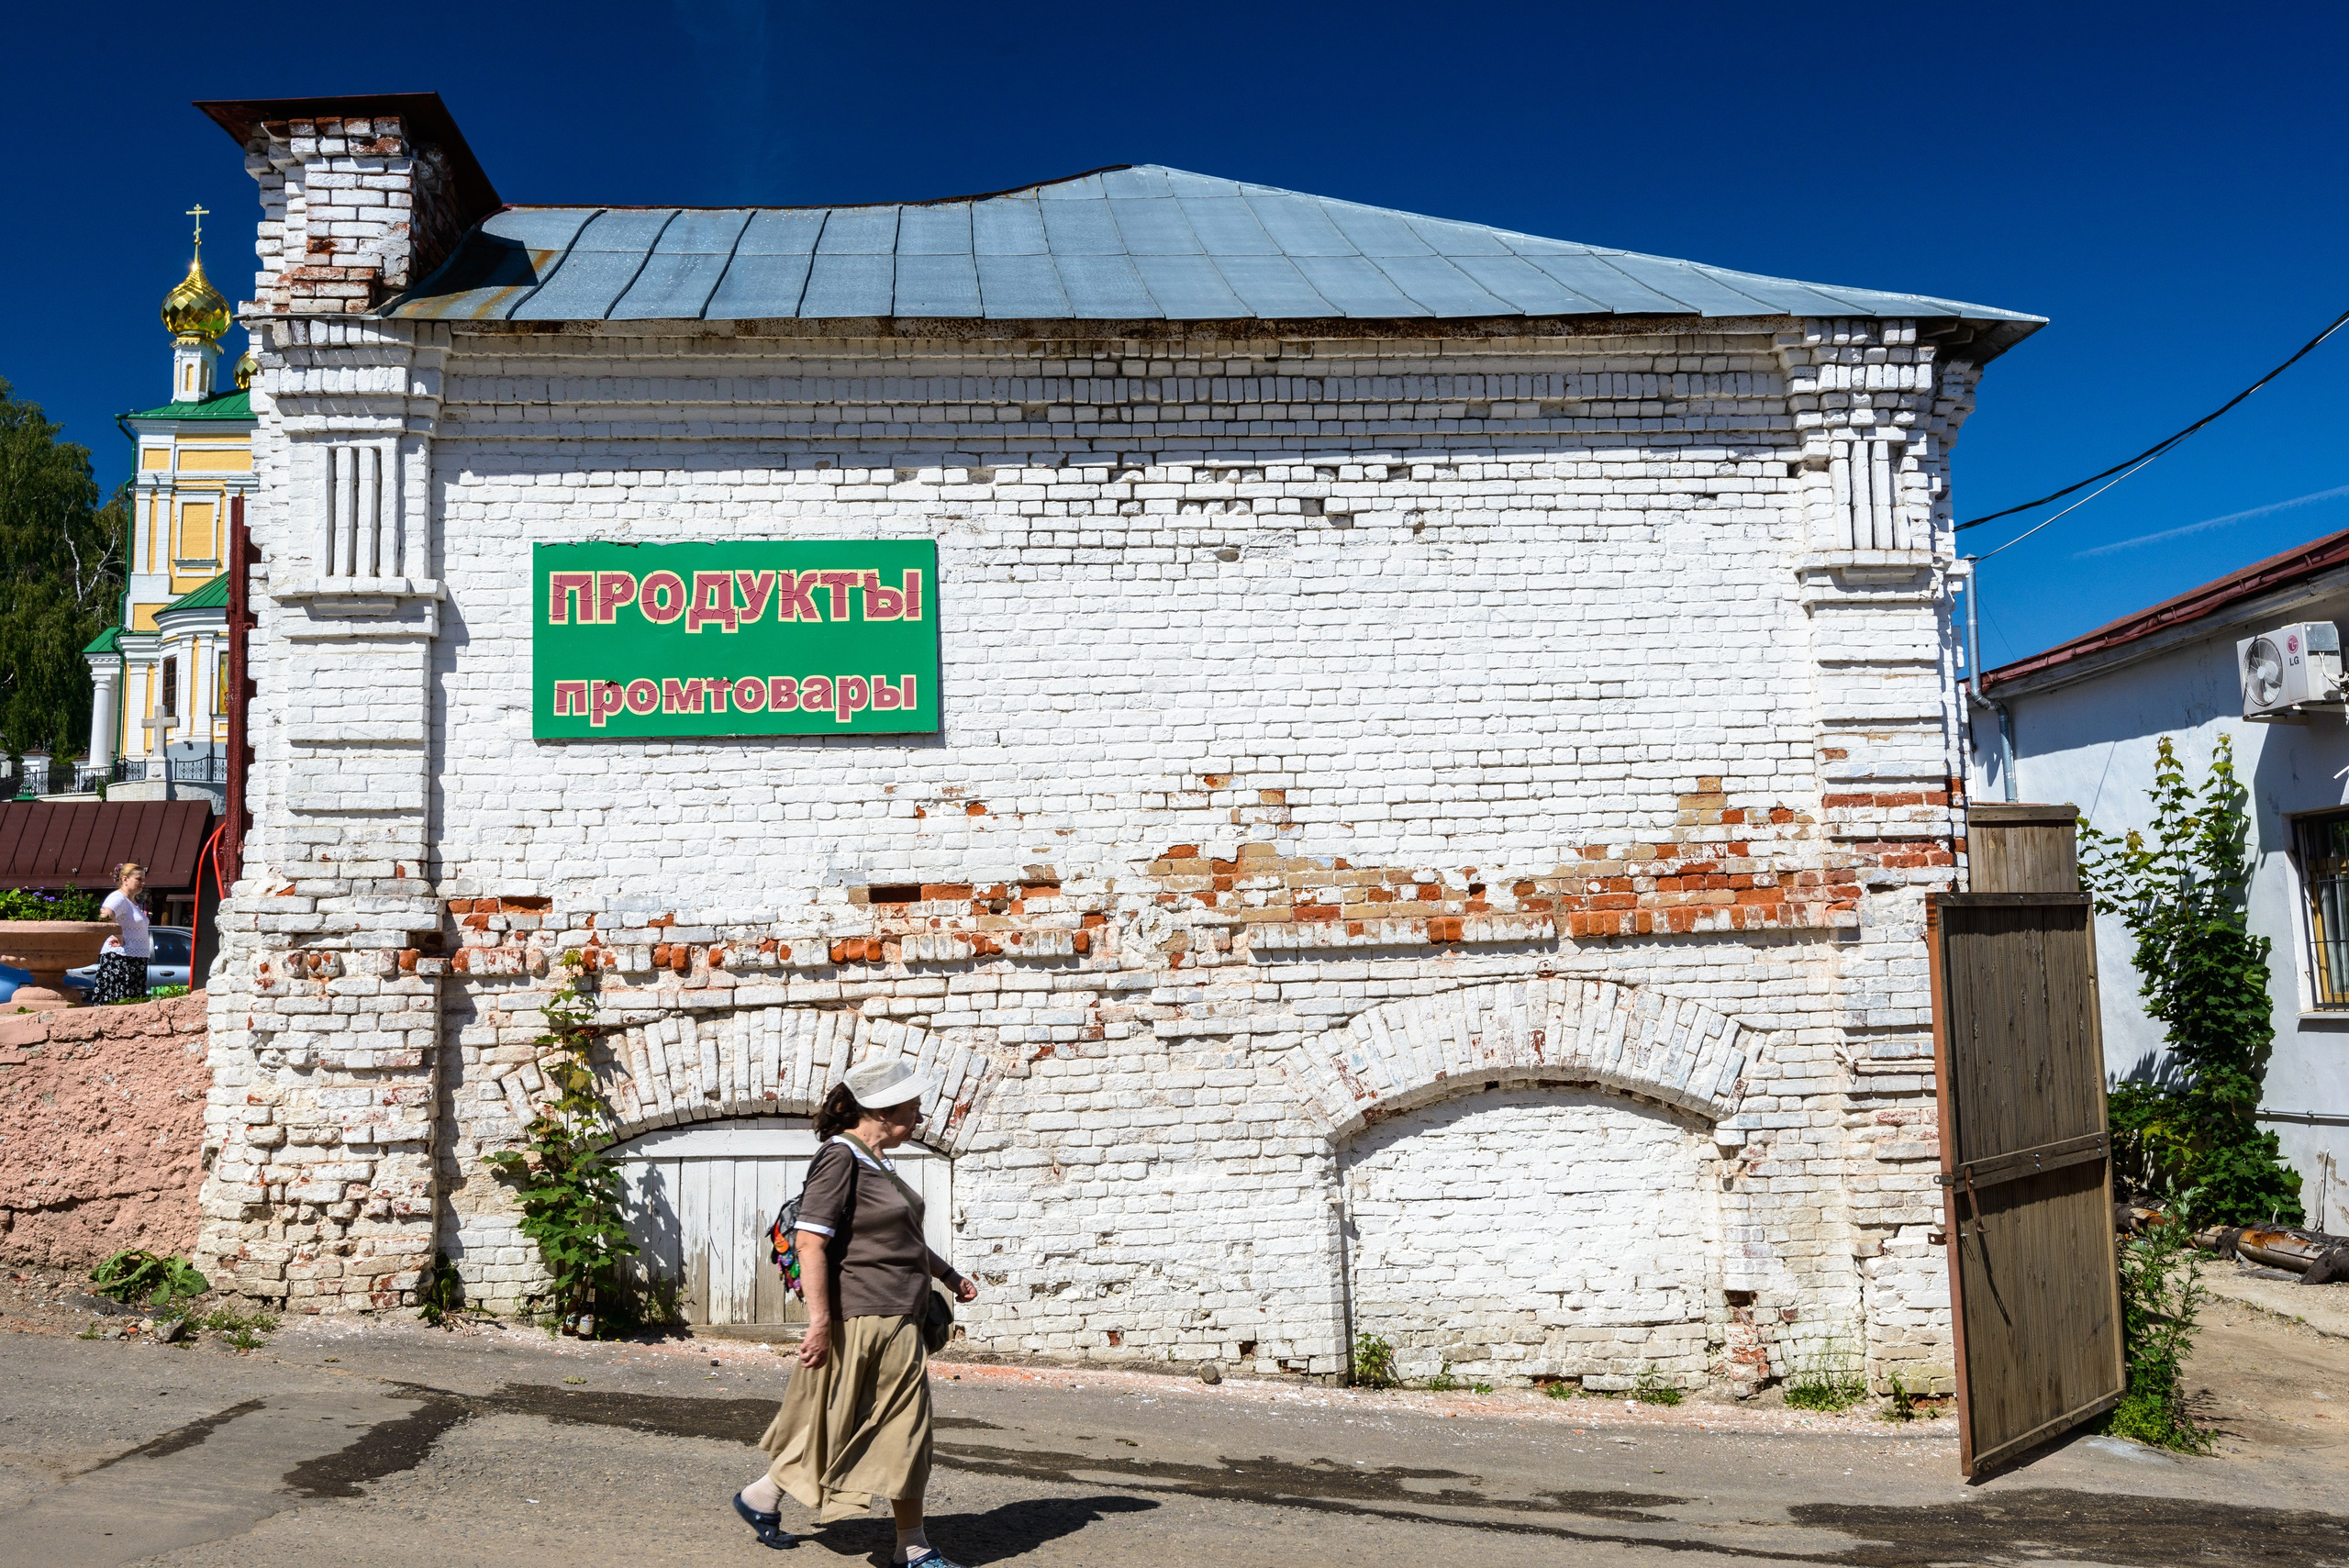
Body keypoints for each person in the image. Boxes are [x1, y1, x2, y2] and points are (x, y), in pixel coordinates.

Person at [731, 1058, 979, 1562]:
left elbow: (902, 1238)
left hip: (898, 1315)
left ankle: (765, 1497)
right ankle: (912, 1550)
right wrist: (820, 1324)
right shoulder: (841, 1157)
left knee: (889, 1423)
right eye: (912, 1107)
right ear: (883, 1110)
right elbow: (809, 1243)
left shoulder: (879, 1160)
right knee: (851, 1420)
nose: (919, 1115)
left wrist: (947, 1274)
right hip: (861, 1317)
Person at [93, 863, 152, 1005]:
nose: (143, 883)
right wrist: (119, 936)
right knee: (119, 1003)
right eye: (139, 879)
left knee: (131, 1004)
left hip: (134, 960)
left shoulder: (131, 901)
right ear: (125, 879)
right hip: (121, 960)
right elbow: (105, 915)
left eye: (143, 879)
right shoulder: (118, 898)